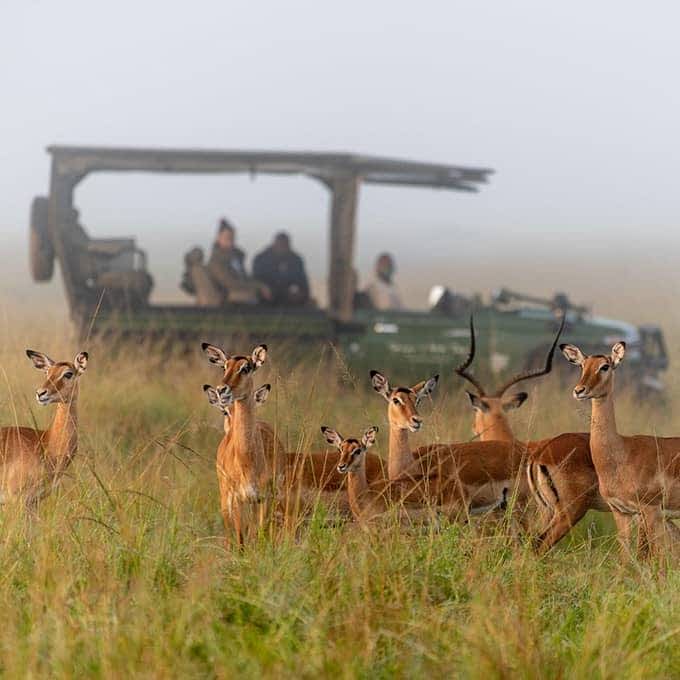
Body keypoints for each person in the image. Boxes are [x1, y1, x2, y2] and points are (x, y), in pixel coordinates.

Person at [199, 219, 269, 304]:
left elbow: (245, 278)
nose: (230, 240)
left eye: (232, 237)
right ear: (219, 238)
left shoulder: (236, 258)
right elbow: (229, 283)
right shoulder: (216, 261)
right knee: (253, 295)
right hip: (227, 296)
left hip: (240, 291)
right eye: (227, 237)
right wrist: (258, 286)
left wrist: (260, 285)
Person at [253, 232, 310, 306]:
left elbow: (303, 282)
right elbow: (256, 280)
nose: (282, 248)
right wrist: (264, 288)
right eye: (280, 245)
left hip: (290, 298)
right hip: (266, 297)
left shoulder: (296, 259)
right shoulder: (261, 259)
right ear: (274, 244)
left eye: (285, 245)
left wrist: (300, 293)